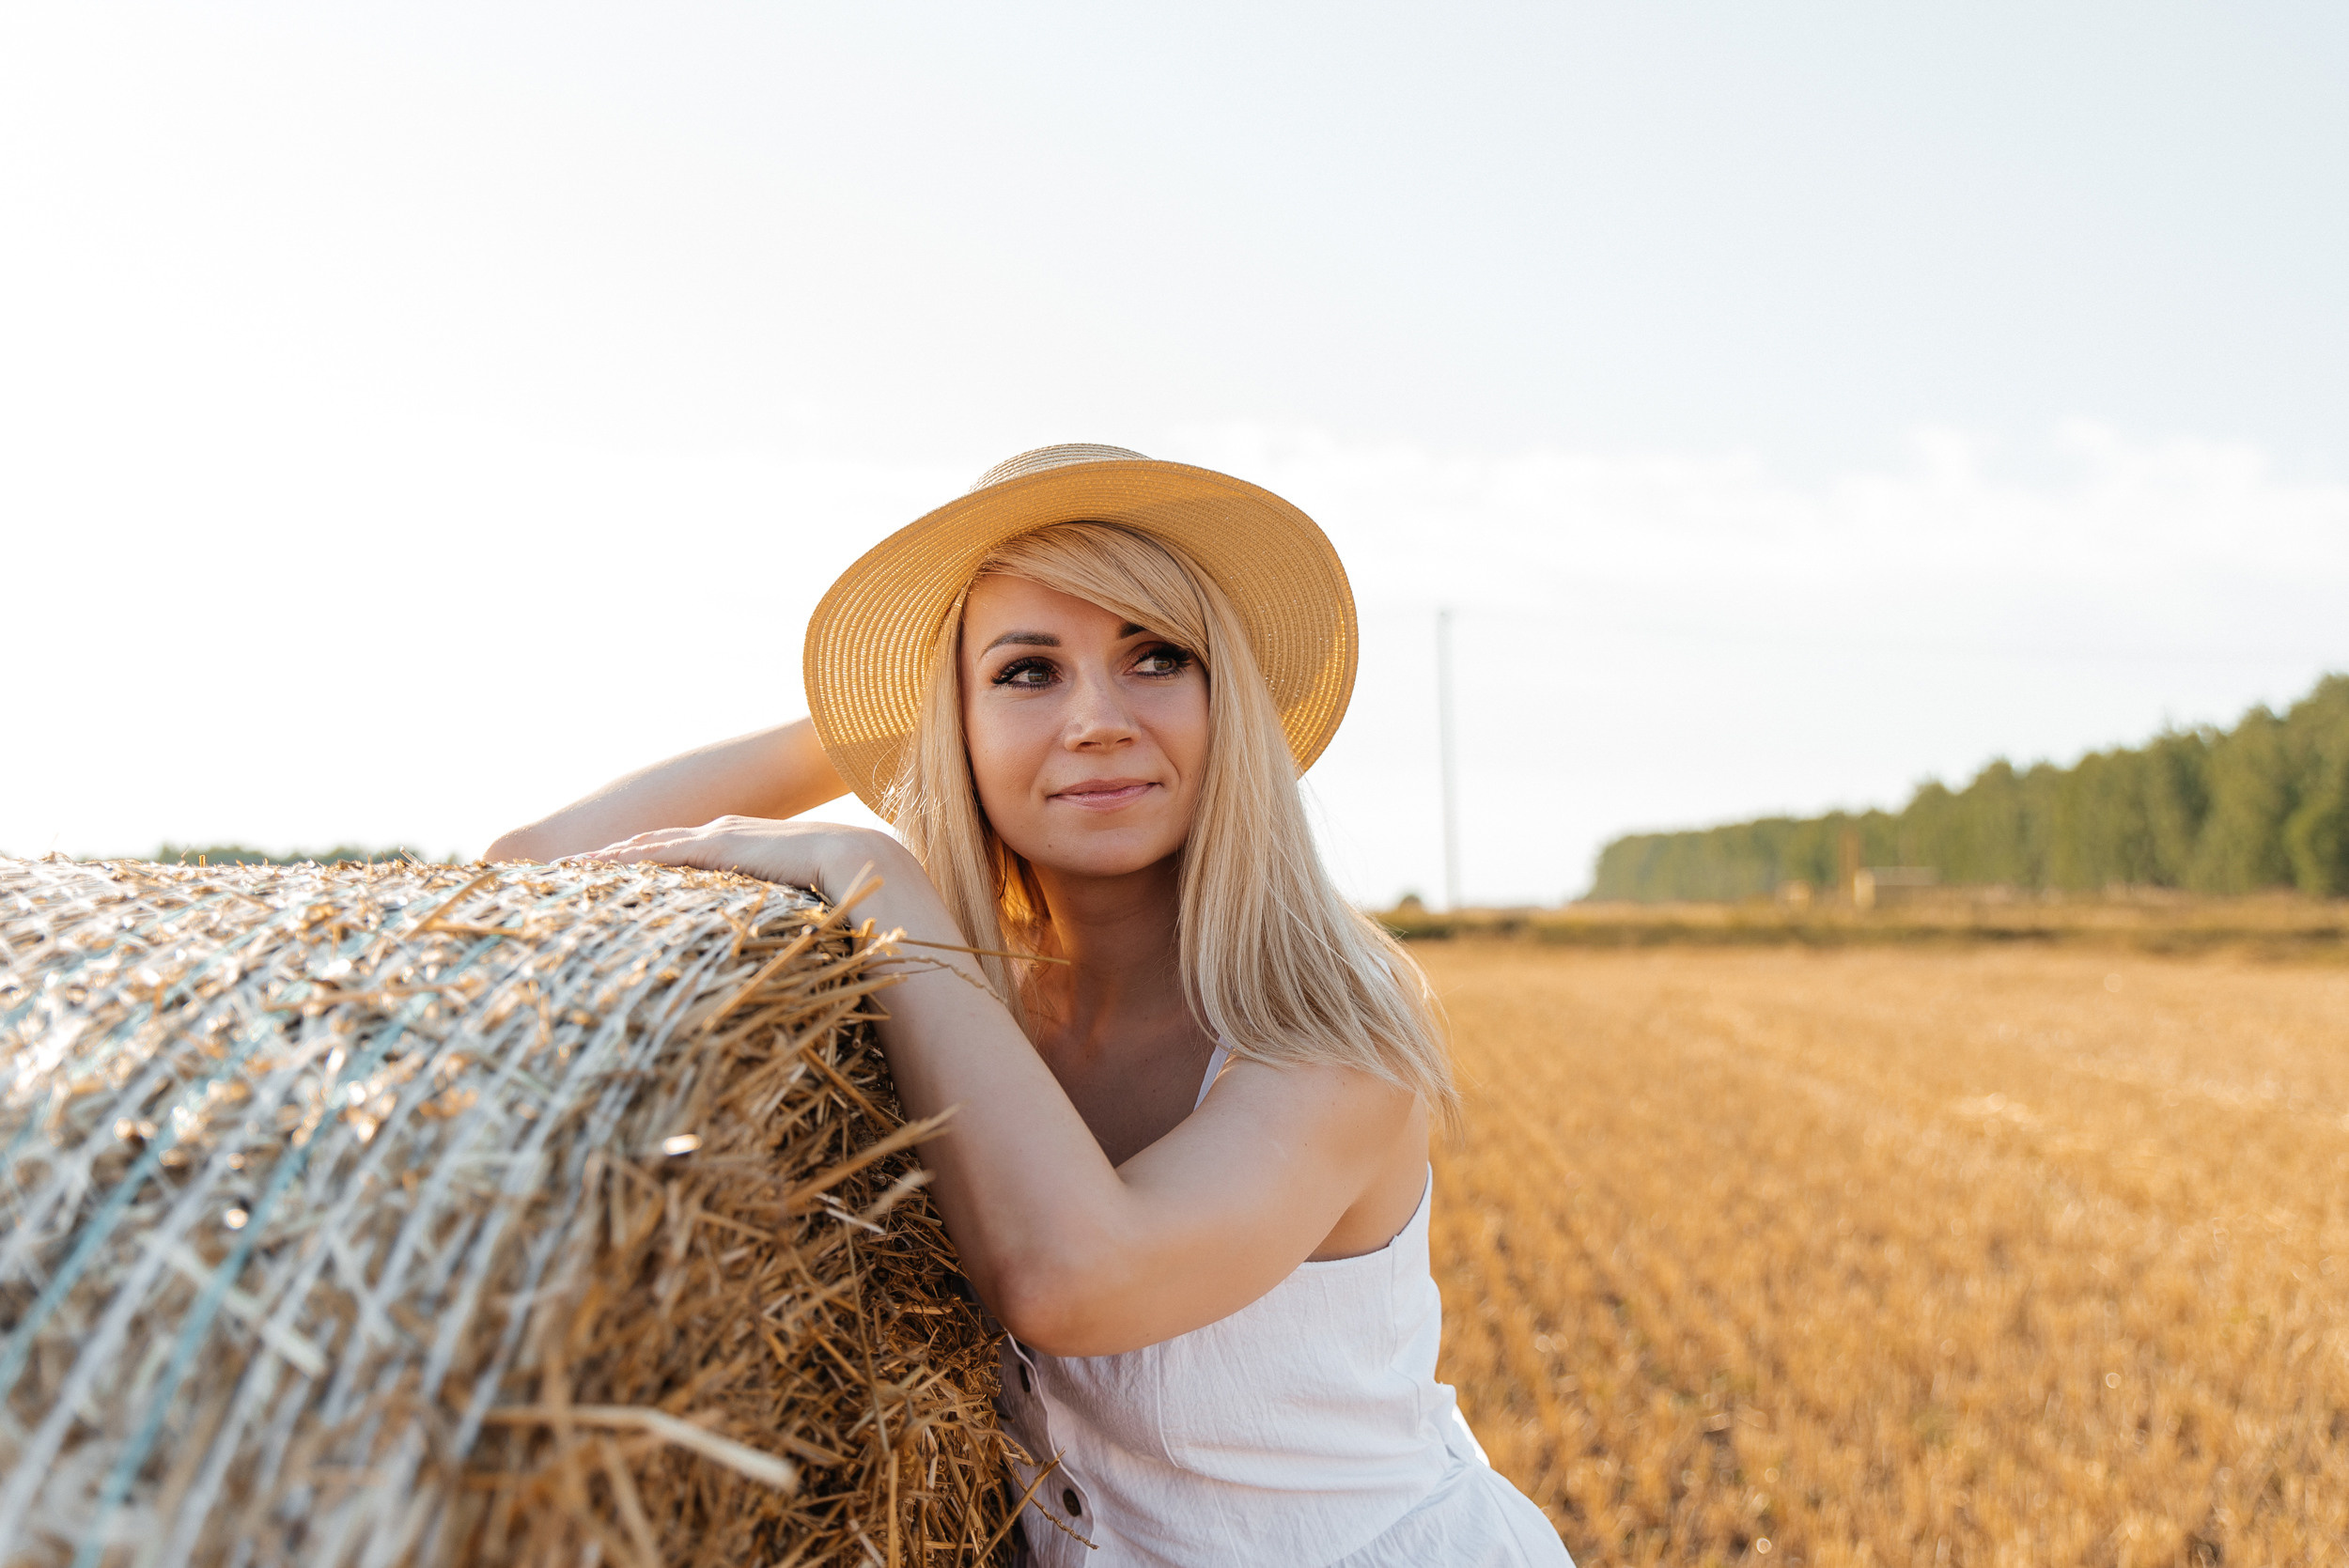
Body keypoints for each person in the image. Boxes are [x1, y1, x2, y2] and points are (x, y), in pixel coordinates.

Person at [487, 444, 1574, 1567]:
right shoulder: (970, 995)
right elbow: (534, 869)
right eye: (1026, 673)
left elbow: (1079, 1278)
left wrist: (875, 869)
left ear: (1227, 703)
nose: (1097, 718)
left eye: (1157, 656)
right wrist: (879, 710)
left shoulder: (1334, 1021)